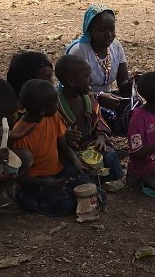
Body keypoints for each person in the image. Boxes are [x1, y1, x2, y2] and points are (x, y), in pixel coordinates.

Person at [10, 79, 100, 216]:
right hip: (36, 180)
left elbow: (63, 146)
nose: (59, 105)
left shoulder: (52, 117)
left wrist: (77, 163)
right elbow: (21, 178)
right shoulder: (20, 134)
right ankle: (23, 198)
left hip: (59, 171)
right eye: (55, 102)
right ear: (43, 111)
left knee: (95, 193)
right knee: (66, 204)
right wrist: (50, 183)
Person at [54, 54, 125, 186]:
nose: (91, 80)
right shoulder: (56, 106)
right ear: (71, 81)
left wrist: (101, 138)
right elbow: (51, 134)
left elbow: (99, 123)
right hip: (69, 153)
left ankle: (105, 181)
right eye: (87, 76)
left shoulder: (88, 99)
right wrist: (64, 137)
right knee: (72, 170)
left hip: (90, 146)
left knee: (110, 156)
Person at [64, 3, 133, 135]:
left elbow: (123, 84)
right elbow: (72, 91)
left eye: (112, 29)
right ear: (89, 30)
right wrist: (99, 97)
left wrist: (133, 82)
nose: (109, 34)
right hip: (83, 101)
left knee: (134, 104)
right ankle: (103, 132)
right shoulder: (79, 51)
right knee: (107, 115)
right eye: (102, 30)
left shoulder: (116, 47)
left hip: (108, 97)